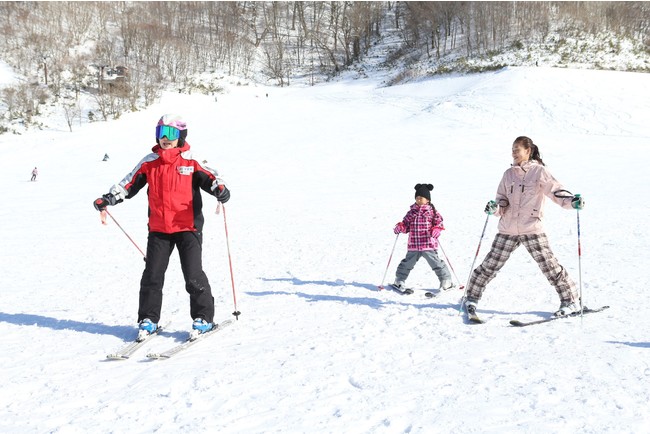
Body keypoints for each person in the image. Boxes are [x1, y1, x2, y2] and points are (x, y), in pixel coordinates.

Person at [93, 114, 231, 340]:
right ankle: (148, 319)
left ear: (180, 136)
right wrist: (109, 198)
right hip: (159, 229)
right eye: (161, 133)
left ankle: (204, 318)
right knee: (152, 275)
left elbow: (212, 177)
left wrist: (220, 189)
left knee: (193, 275)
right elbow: (129, 182)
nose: (165, 139)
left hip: (188, 227)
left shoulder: (191, 160)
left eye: (171, 134)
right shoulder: (150, 161)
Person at [464, 136, 585, 318]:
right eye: (512, 149)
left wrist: (571, 201)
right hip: (508, 228)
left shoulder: (539, 172)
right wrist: (495, 208)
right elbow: (502, 200)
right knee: (490, 265)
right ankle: (471, 297)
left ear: (528, 151)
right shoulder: (508, 174)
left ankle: (571, 301)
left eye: (517, 150)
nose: (514, 153)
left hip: (532, 227)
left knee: (549, 266)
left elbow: (555, 191)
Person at [392, 183, 453, 292]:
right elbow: (406, 225)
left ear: (428, 200)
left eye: (421, 198)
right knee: (407, 263)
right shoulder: (412, 212)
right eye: (417, 198)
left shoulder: (432, 212)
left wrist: (436, 229)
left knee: (436, 263)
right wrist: (400, 227)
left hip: (428, 244)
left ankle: (446, 280)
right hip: (414, 244)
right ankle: (399, 280)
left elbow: (439, 222)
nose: (419, 200)